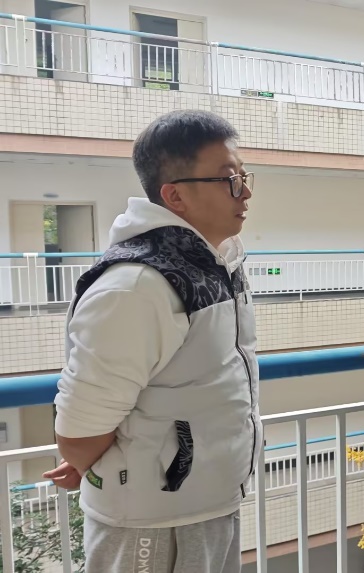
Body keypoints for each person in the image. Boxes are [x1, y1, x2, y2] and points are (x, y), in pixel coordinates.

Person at [44, 109, 260, 573]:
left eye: (243, 177)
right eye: (229, 179)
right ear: (174, 195)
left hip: (207, 502)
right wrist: (97, 460)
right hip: (154, 521)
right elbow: (79, 433)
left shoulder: (214, 263)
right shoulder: (137, 285)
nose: (245, 192)